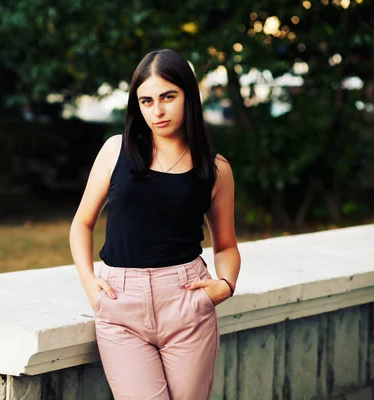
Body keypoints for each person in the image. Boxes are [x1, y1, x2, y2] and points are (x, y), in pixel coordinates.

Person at [69, 49, 241, 400]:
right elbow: (81, 224)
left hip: (187, 303)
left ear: (188, 96)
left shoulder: (215, 168)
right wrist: (90, 284)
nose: (157, 111)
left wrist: (225, 285)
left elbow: (225, 244)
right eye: (146, 101)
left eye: (168, 97)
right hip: (121, 306)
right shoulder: (115, 151)